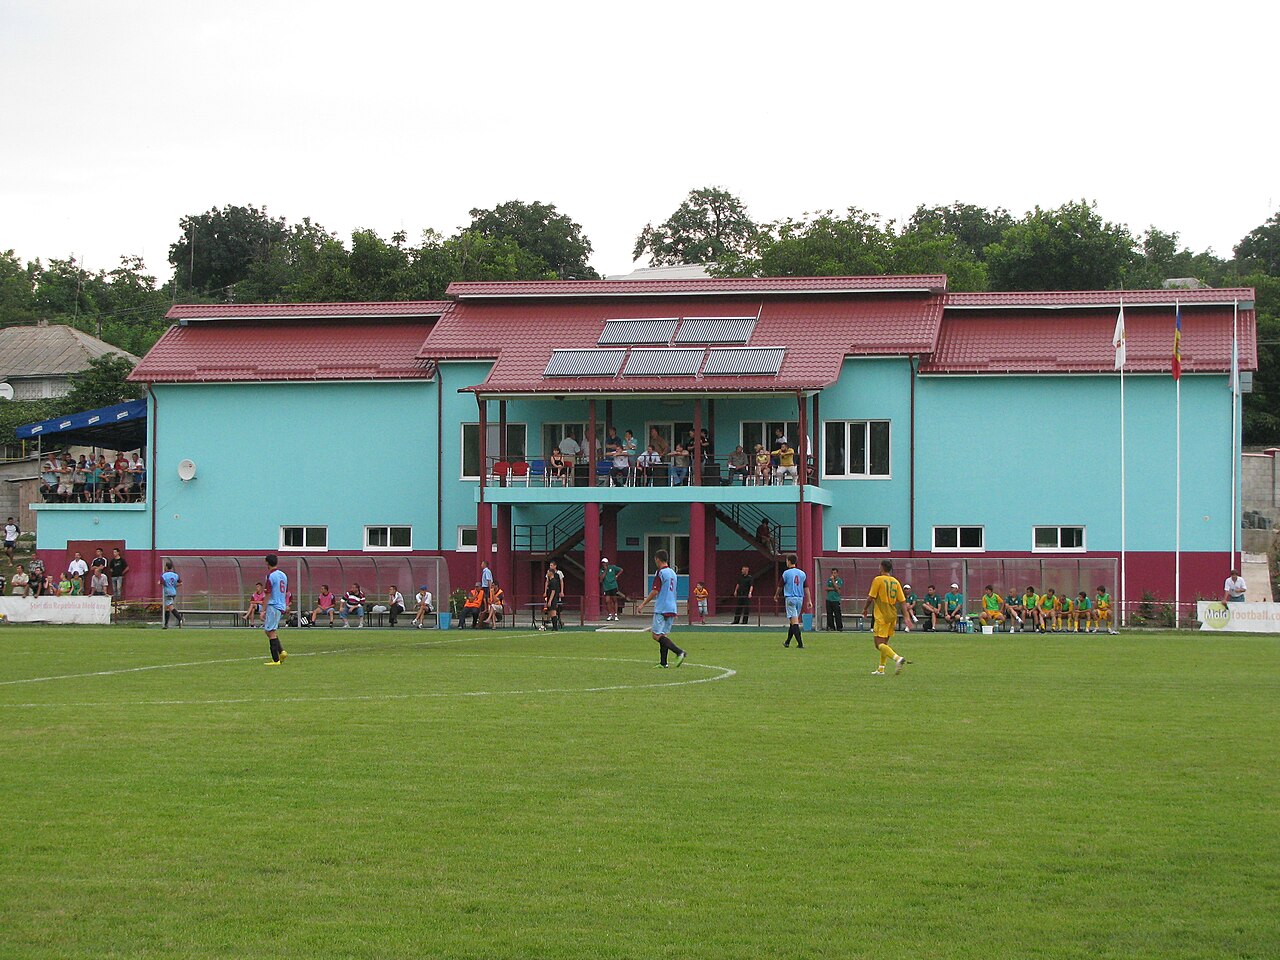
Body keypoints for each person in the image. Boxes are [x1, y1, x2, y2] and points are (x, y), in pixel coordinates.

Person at [637, 549, 686, 668]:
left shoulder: (660, 572)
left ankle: (679, 652)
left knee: (656, 635)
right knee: (663, 635)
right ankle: (663, 663)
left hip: (662, 607)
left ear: (657, 559)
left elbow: (655, 591)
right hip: (671, 606)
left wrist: (643, 604)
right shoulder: (673, 573)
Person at [863, 558, 913, 675]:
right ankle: (881, 668)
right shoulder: (895, 582)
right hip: (892, 615)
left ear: (881, 567)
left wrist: (865, 609)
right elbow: (903, 601)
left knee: (878, 644)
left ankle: (897, 658)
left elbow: (870, 598)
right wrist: (906, 617)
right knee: (884, 643)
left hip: (882, 615)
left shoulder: (878, 580)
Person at [777, 553, 811, 648]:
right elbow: (806, 587)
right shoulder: (802, 573)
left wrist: (776, 595)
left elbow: (780, 586)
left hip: (790, 598)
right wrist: (809, 600)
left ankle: (800, 644)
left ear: (788, 561)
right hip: (800, 599)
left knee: (794, 621)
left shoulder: (786, 573)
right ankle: (787, 642)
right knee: (793, 621)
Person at [262, 554, 288, 666]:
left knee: (270, 631)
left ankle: (276, 659)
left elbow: (267, 593)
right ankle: (281, 651)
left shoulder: (270, 576)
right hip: (281, 605)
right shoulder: (283, 575)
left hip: (273, 605)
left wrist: (263, 609)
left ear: (267, 563)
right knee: (270, 630)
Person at [540, 562, 564, 631]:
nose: (547, 573)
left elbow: (553, 591)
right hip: (550, 598)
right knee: (550, 612)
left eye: (548, 572)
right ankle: (553, 626)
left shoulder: (553, 581)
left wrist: (550, 600)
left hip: (552, 599)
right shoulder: (550, 581)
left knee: (553, 612)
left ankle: (555, 627)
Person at [160, 560, 183, 629]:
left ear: (166, 567)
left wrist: (160, 583)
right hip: (173, 592)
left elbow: (162, 583)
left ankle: (180, 619)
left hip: (167, 593)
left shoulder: (163, 575)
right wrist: (174, 586)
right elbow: (181, 583)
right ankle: (166, 624)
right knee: (167, 608)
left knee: (170, 607)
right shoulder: (175, 575)